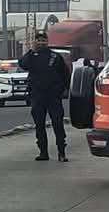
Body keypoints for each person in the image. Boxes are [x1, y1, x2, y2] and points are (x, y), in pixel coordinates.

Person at [19, 30, 70, 162]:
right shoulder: (31, 56)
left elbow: (65, 75)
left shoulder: (55, 57)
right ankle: (43, 152)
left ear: (47, 42)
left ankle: (61, 152)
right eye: (38, 40)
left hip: (53, 97)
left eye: (43, 40)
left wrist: (61, 90)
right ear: (35, 41)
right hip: (37, 96)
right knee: (39, 125)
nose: (41, 43)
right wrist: (31, 51)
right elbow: (23, 64)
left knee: (58, 124)